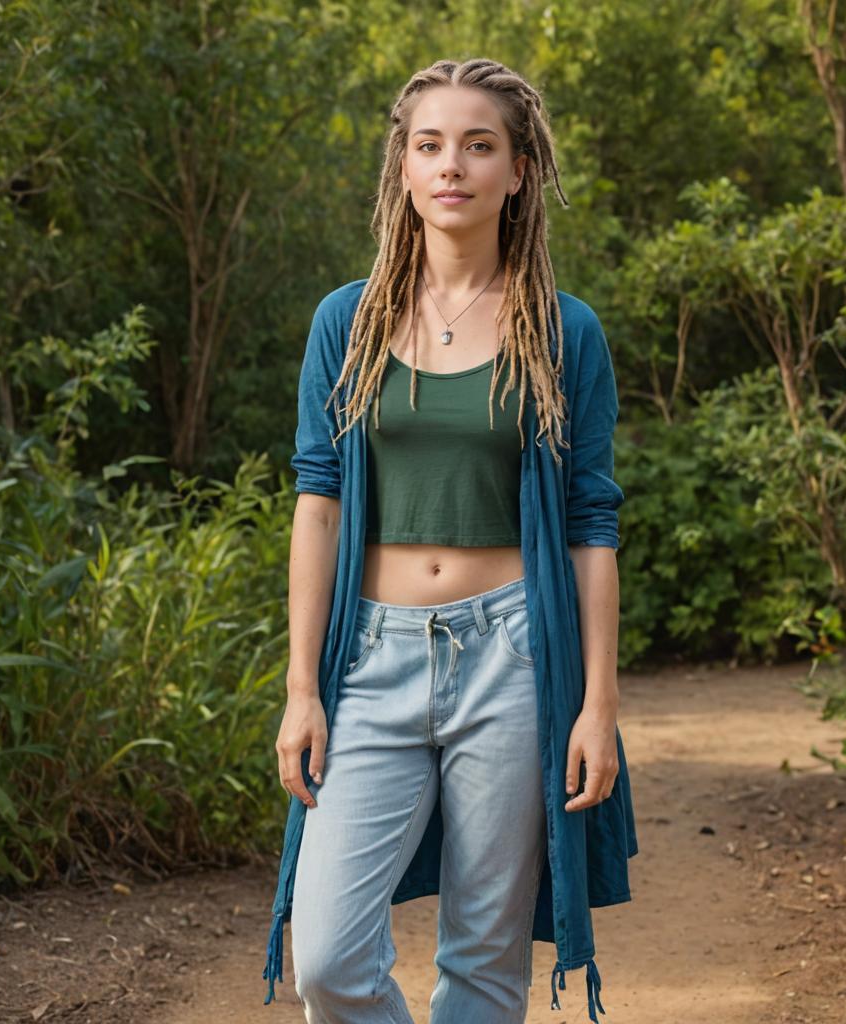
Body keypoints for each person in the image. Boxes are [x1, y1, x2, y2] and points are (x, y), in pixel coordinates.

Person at [263, 57, 638, 1024]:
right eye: (429, 145)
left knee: (482, 959)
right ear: (402, 168)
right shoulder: (347, 322)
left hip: (513, 657)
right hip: (371, 657)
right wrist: (303, 687)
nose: (452, 166)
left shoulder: (565, 331)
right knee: (329, 959)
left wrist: (597, 707)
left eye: (480, 145)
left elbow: (593, 527)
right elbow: (320, 504)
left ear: (520, 170)